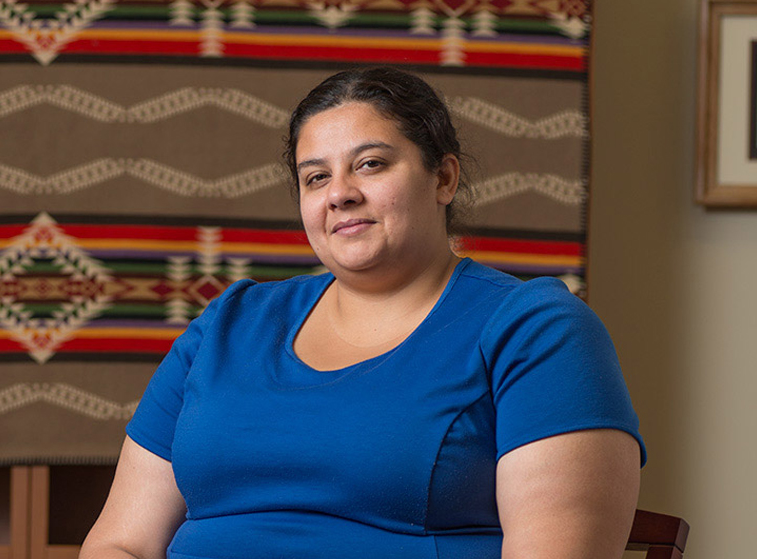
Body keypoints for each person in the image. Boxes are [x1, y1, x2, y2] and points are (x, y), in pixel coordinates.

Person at [79, 67, 644, 559]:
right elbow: (121, 543)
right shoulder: (227, 324)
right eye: (316, 176)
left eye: (370, 164)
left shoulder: (536, 330)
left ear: (443, 178)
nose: (339, 194)